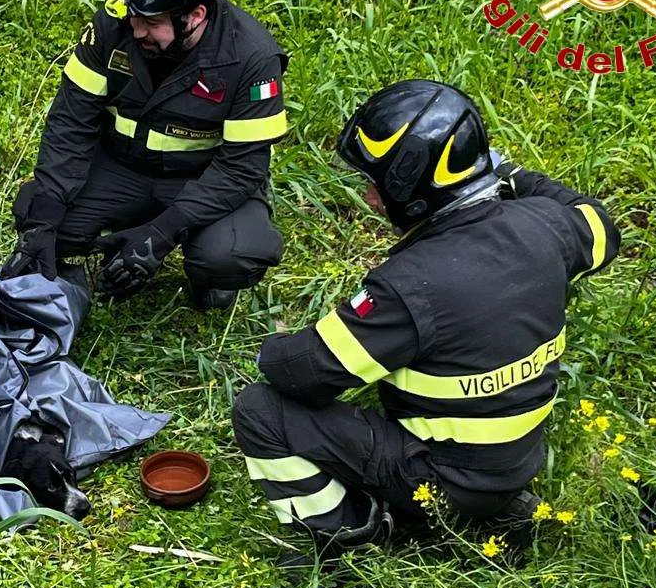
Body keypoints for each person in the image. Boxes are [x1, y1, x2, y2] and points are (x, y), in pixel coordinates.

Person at [231, 80, 621, 562]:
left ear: (410, 191)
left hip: (439, 478)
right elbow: (597, 218)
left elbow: (307, 372)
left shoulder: (410, 285)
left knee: (259, 411)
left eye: (376, 183)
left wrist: (269, 349)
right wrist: (502, 170)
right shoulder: (550, 226)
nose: (370, 198)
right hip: (518, 461)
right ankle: (495, 509)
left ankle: (355, 532)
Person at [1, 0, 288, 310]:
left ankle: (207, 272)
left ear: (196, 15)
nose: (136, 31)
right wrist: (43, 220)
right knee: (41, 213)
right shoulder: (112, 25)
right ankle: (106, 239)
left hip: (202, 179)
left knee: (231, 254)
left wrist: (162, 234)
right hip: (121, 167)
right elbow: (71, 120)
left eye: (152, 23)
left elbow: (241, 170)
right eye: (135, 17)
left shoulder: (253, 59)